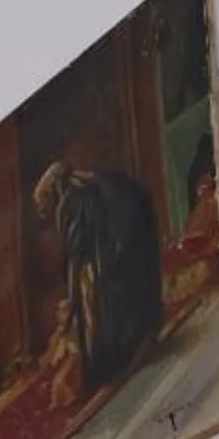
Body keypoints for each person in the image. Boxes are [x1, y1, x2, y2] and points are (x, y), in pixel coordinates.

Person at [32, 163, 164, 392]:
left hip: (102, 267)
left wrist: (74, 300)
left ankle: (103, 372)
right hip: (119, 257)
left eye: (42, 205)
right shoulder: (89, 184)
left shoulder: (70, 201)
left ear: (50, 193)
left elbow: (75, 253)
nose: (42, 212)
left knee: (97, 316)